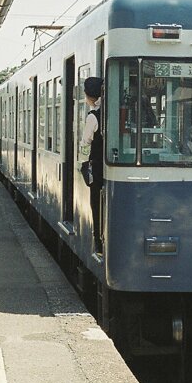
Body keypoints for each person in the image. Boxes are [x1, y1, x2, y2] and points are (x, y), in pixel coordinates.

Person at [80, 77, 104, 253]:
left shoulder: (92, 116)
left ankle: (97, 239)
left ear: (89, 96)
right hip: (109, 164)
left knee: (95, 202)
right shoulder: (110, 110)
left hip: (97, 167)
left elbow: (86, 141)